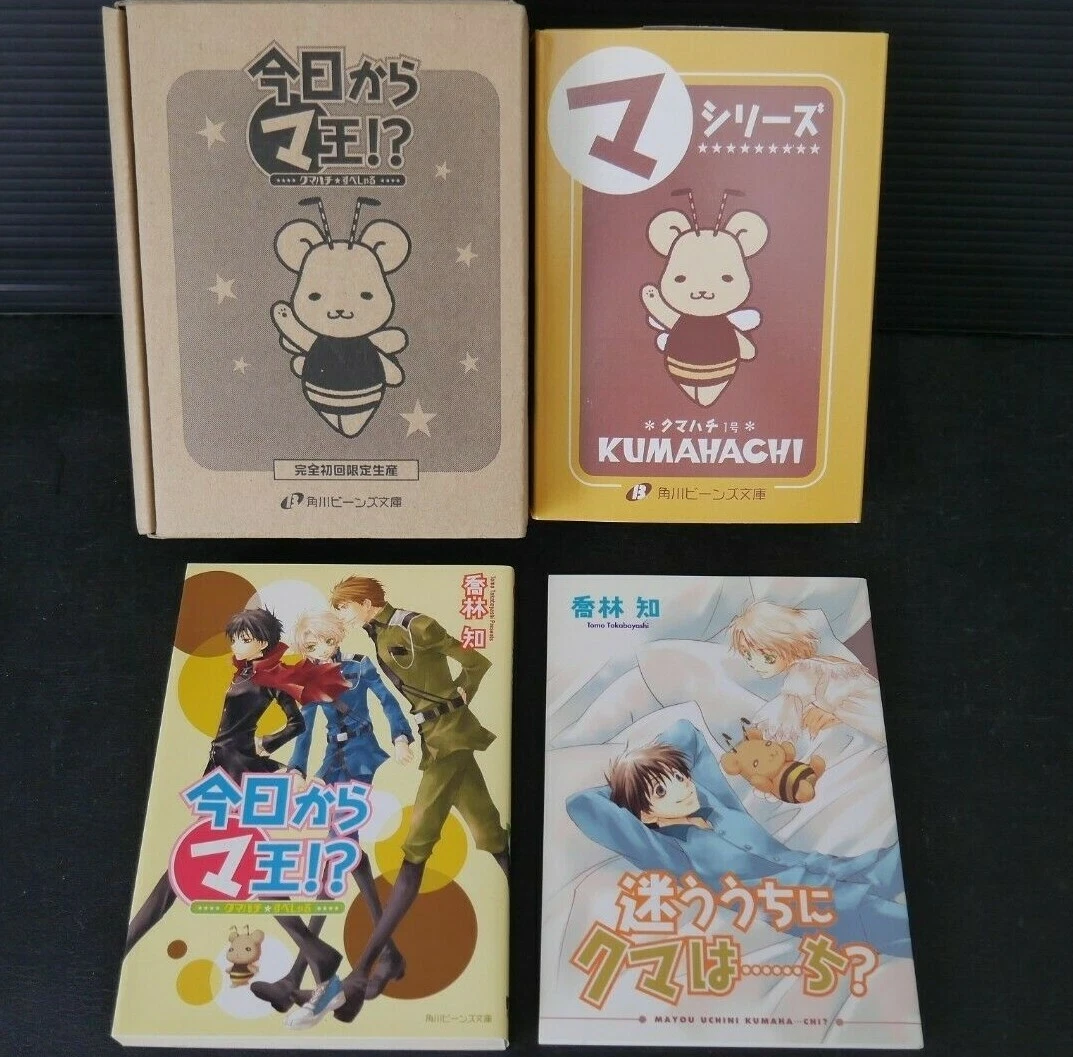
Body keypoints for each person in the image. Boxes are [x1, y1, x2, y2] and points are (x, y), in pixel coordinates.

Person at [124, 609, 351, 1025]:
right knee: (237, 869)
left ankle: (123, 947)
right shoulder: (246, 671)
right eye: (234, 637)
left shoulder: (269, 676)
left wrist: (268, 742)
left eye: (244, 638)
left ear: (263, 641)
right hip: (223, 771)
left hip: (239, 774)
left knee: (185, 869)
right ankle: (321, 960)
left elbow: (296, 723)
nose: (235, 644)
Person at [326, 575, 509, 1023]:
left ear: (365, 603)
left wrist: (462, 694)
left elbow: (476, 662)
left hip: (450, 736)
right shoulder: (376, 635)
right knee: (490, 833)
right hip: (435, 737)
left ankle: (362, 971)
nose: (341, 616)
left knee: (415, 849)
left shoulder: (416, 626)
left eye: (344, 608)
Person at [568, 718, 911, 957]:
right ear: (645, 814)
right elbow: (581, 805)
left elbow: (686, 732)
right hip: (816, 908)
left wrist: (653, 768)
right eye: (661, 790)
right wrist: (629, 787)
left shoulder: (716, 804)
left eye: (679, 776)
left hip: (843, 870)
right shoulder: (671, 852)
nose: (682, 787)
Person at [252, 610, 414, 1027]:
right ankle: (386, 954)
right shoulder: (308, 679)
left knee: (338, 850)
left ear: (338, 637)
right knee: (342, 852)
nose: (321, 650)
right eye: (311, 646)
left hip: (361, 757)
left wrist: (401, 737)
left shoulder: (359, 668)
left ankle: (300, 977)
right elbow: (305, 727)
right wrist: (297, 768)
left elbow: (388, 702)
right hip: (332, 761)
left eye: (326, 641)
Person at [729, 601, 887, 745]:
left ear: (788, 645)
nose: (753, 664)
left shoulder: (805, 670)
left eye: (767, 657)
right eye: (747, 655)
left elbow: (782, 718)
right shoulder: (819, 666)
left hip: (871, 719)